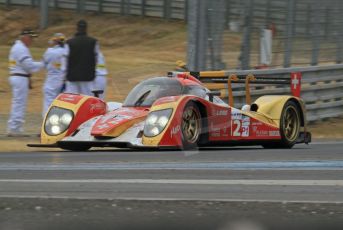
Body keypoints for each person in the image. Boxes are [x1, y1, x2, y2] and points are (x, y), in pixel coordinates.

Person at [7, 28, 44, 137]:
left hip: (18, 77)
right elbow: (29, 66)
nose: (31, 41)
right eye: (31, 38)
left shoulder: (18, 47)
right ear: (25, 37)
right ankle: (15, 128)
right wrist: (43, 63)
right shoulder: (21, 48)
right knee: (19, 103)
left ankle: (14, 127)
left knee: (17, 102)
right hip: (20, 78)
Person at [65, 19, 100, 96]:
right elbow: (97, 59)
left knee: (73, 100)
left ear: (77, 28)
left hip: (72, 77)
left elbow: (65, 60)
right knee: (87, 99)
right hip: (88, 76)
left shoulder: (69, 42)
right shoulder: (93, 42)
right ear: (86, 28)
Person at [42, 33, 67, 117]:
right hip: (62, 79)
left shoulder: (50, 51)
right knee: (60, 102)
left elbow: (44, 62)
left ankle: (46, 121)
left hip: (51, 78)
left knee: (49, 101)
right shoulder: (66, 51)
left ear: (55, 41)